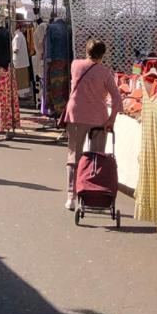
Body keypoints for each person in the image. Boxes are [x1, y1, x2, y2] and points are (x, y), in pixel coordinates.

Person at [63, 37, 123, 211]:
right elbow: (117, 99)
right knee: (96, 157)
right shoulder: (105, 73)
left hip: (76, 114)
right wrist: (111, 120)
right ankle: (93, 193)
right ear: (103, 55)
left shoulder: (75, 65)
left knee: (74, 155)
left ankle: (71, 196)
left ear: (87, 51)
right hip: (98, 117)